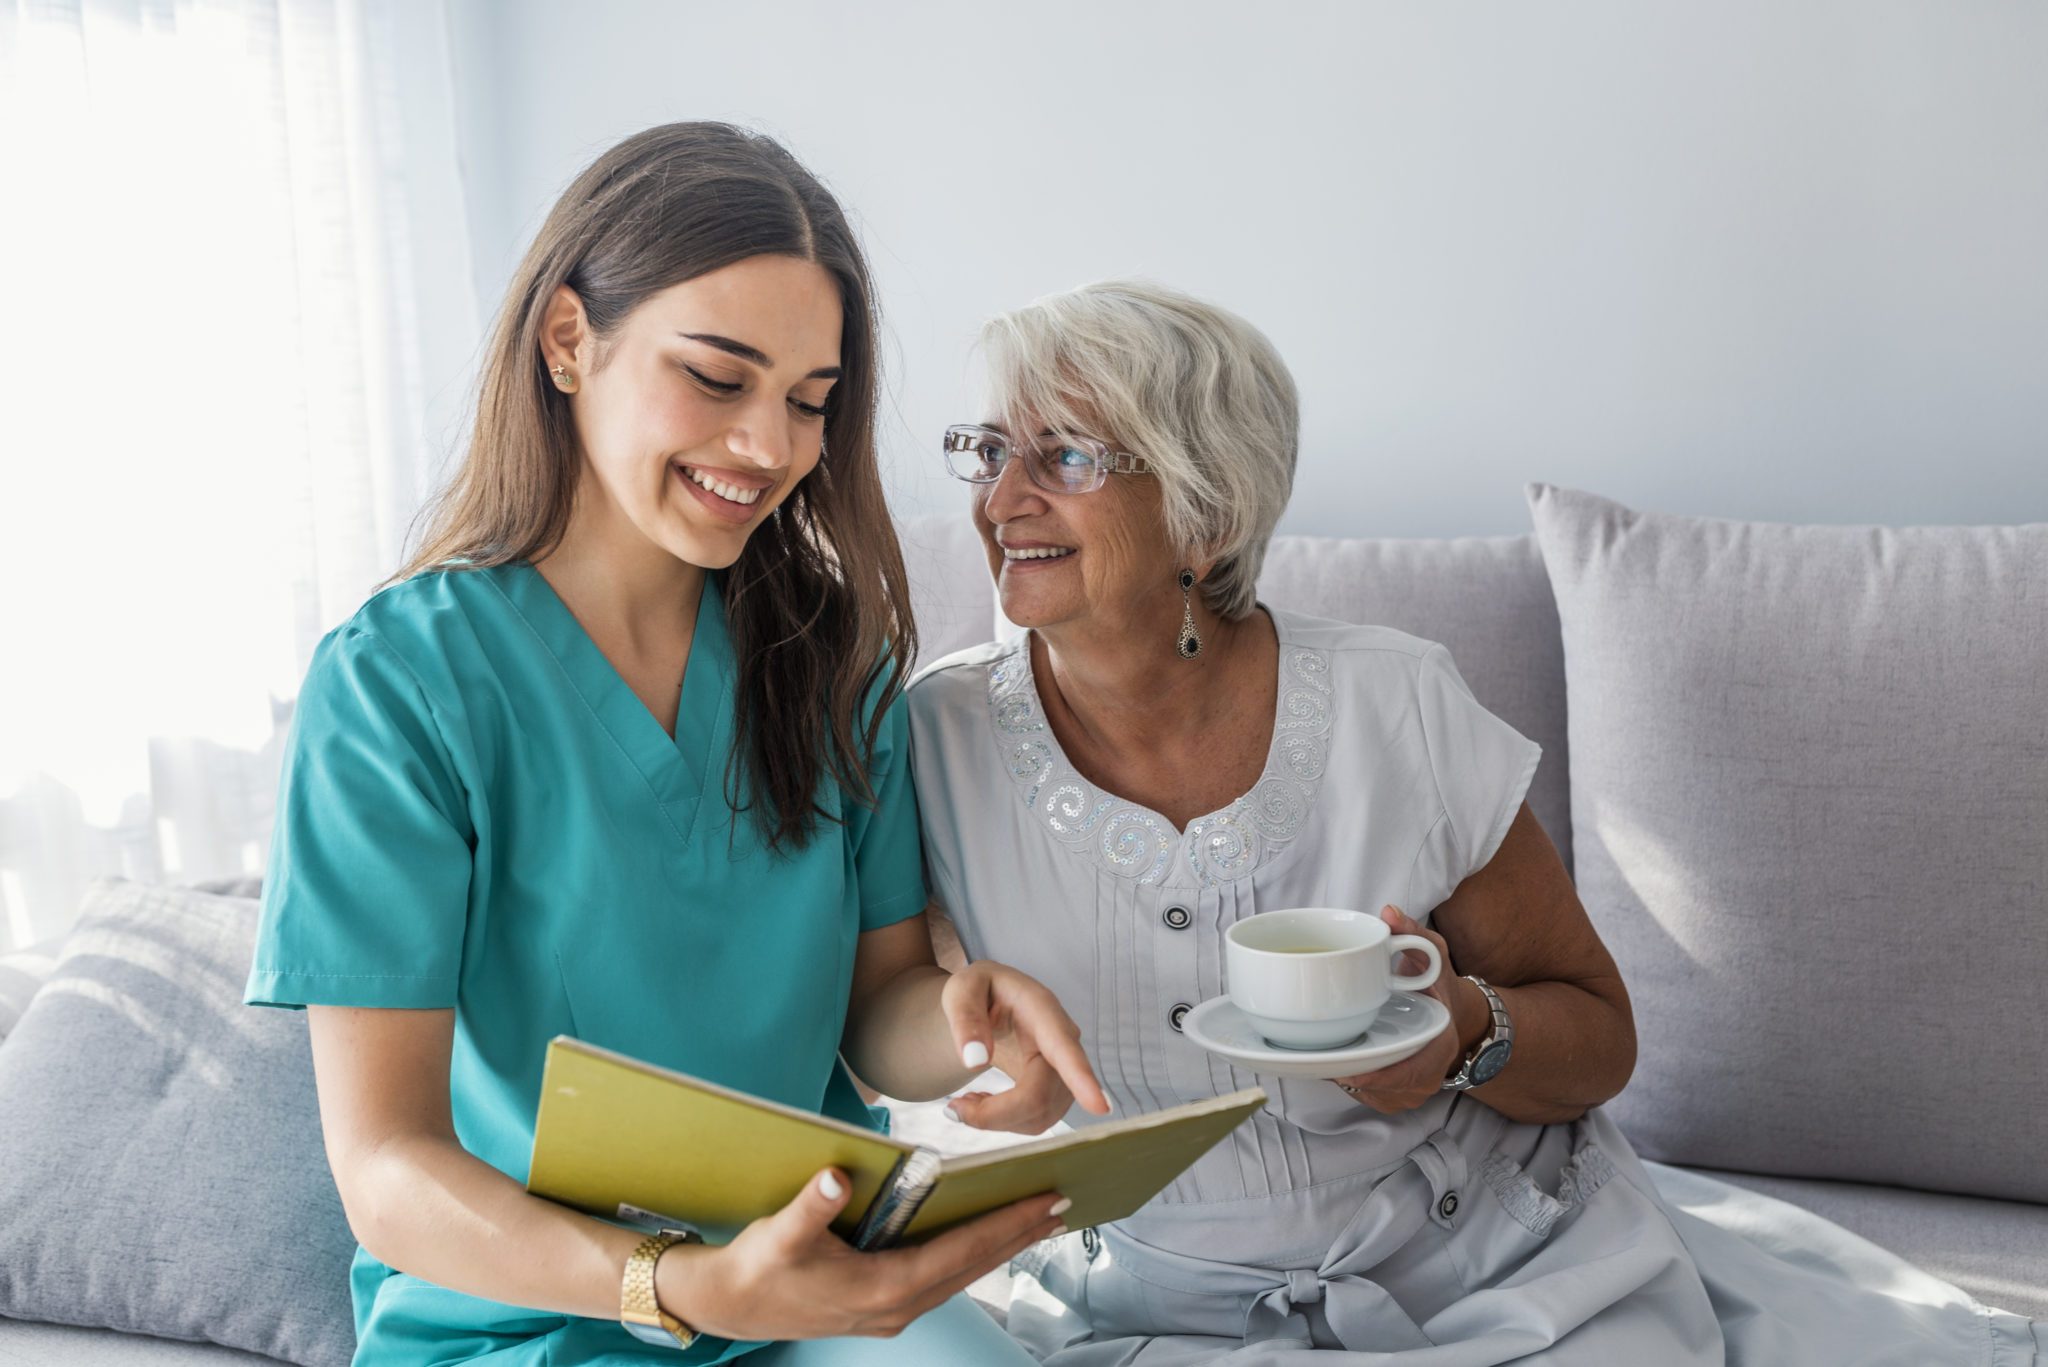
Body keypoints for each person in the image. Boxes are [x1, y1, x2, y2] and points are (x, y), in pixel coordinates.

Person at [907, 278, 2039, 1364]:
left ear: (1204, 512)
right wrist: (964, 1042)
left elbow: (1598, 1033)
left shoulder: (1392, 702)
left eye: (1062, 456)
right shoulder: (931, 741)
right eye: (990, 450)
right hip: (1148, 1318)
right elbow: (870, 1011)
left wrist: (1458, 1035)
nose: (1000, 499)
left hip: (1491, 1282)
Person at [244, 123, 1108, 1367]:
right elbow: (387, 1162)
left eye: (810, 403)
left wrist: (971, 1024)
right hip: (526, 1319)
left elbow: (877, 1012)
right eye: (717, 377)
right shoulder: (397, 683)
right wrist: (684, 1282)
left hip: (812, 1295)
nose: (769, 446)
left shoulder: (833, 654)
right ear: (566, 340)